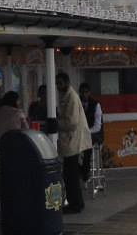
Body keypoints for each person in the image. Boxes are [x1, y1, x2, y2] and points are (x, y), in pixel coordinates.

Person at [55, 72, 92, 214]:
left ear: (67, 82)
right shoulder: (66, 96)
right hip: (70, 140)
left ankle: (75, 204)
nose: (58, 86)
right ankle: (76, 203)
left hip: (73, 140)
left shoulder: (71, 98)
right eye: (57, 84)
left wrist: (56, 123)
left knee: (70, 174)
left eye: (60, 83)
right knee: (70, 174)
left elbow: (72, 122)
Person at [78, 83, 104, 182]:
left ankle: (85, 171)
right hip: (80, 133)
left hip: (94, 134)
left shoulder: (96, 105)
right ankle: (81, 170)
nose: (84, 94)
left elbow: (97, 126)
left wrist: (86, 132)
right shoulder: (77, 104)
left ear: (89, 93)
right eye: (82, 92)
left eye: (86, 92)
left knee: (87, 144)